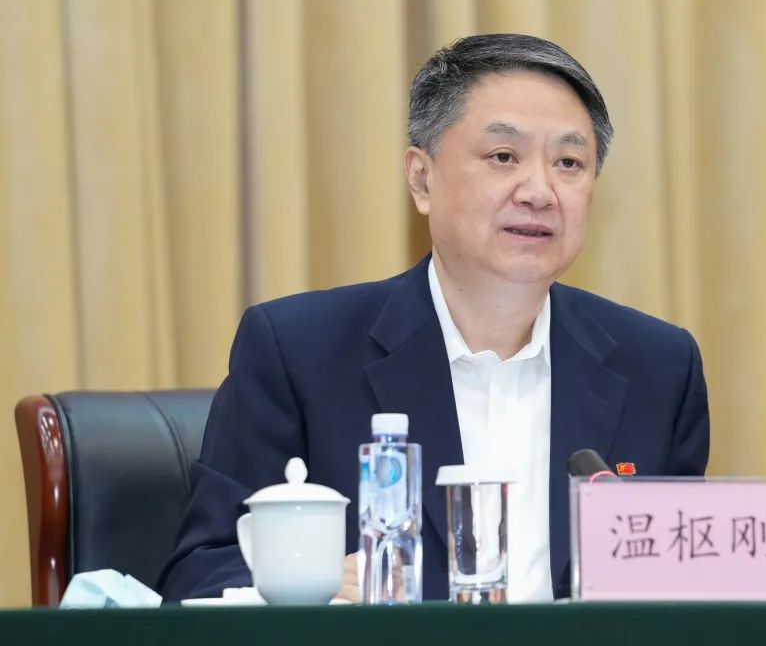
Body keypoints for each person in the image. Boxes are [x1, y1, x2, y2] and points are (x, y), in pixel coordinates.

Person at [157, 33, 709, 603]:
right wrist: (308, 588)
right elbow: (202, 573)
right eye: (503, 157)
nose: (539, 191)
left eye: (569, 163)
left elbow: (695, 583)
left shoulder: (659, 368)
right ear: (422, 179)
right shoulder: (300, 353)